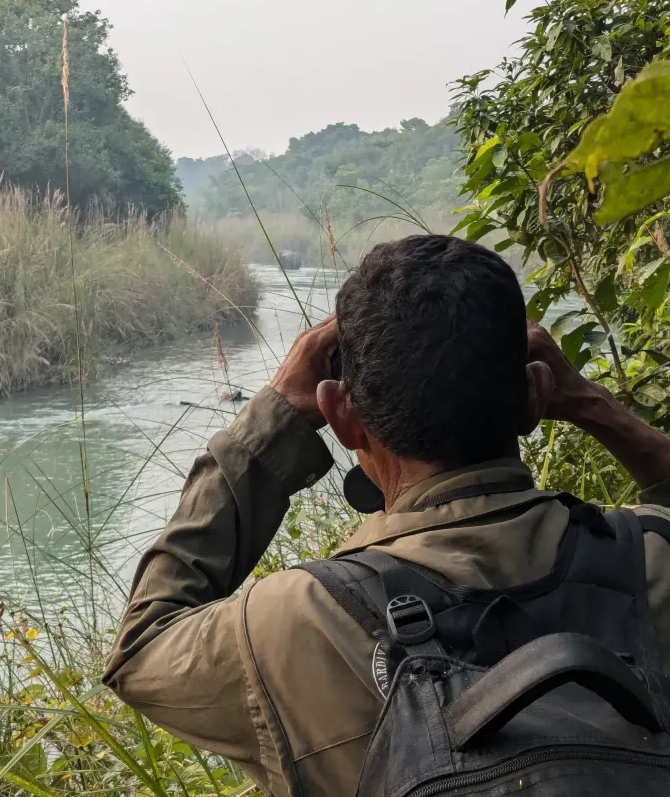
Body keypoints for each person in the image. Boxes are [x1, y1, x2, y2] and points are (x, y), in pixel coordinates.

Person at [103, 235, 670, 797]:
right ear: (534, 399)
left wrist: (273, 420)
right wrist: (590, 402)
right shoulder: (650, 560)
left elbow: (141, 648)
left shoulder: (296, 621)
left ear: (343, 418)